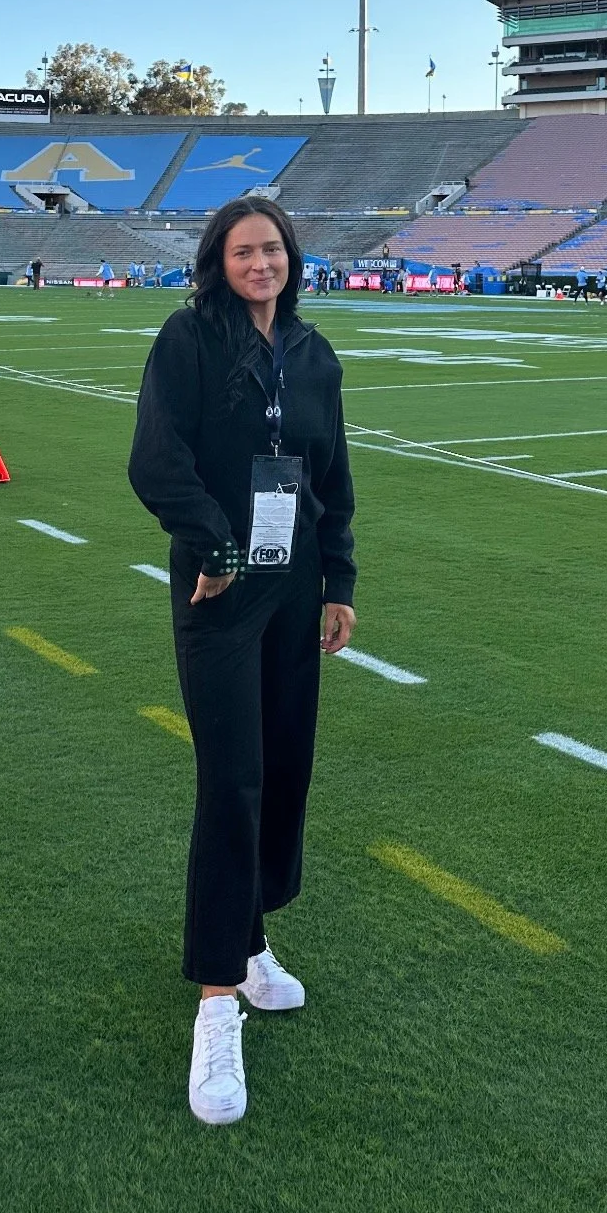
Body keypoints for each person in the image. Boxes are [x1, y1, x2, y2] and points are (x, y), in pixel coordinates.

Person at [128, 196, 357, 1129]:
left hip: (295, 586)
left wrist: (339, 580)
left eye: (271, 250)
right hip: (218, 593)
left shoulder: (312, 354)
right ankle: (216, 997)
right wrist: (214, 545)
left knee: (283, 772)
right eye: (242, 252)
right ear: (216, 262)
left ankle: (251, 936)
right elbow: (155, 461)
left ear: (291, 258)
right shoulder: (188, 340)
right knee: (230, 782)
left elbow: (333, 477)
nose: (259, 264)